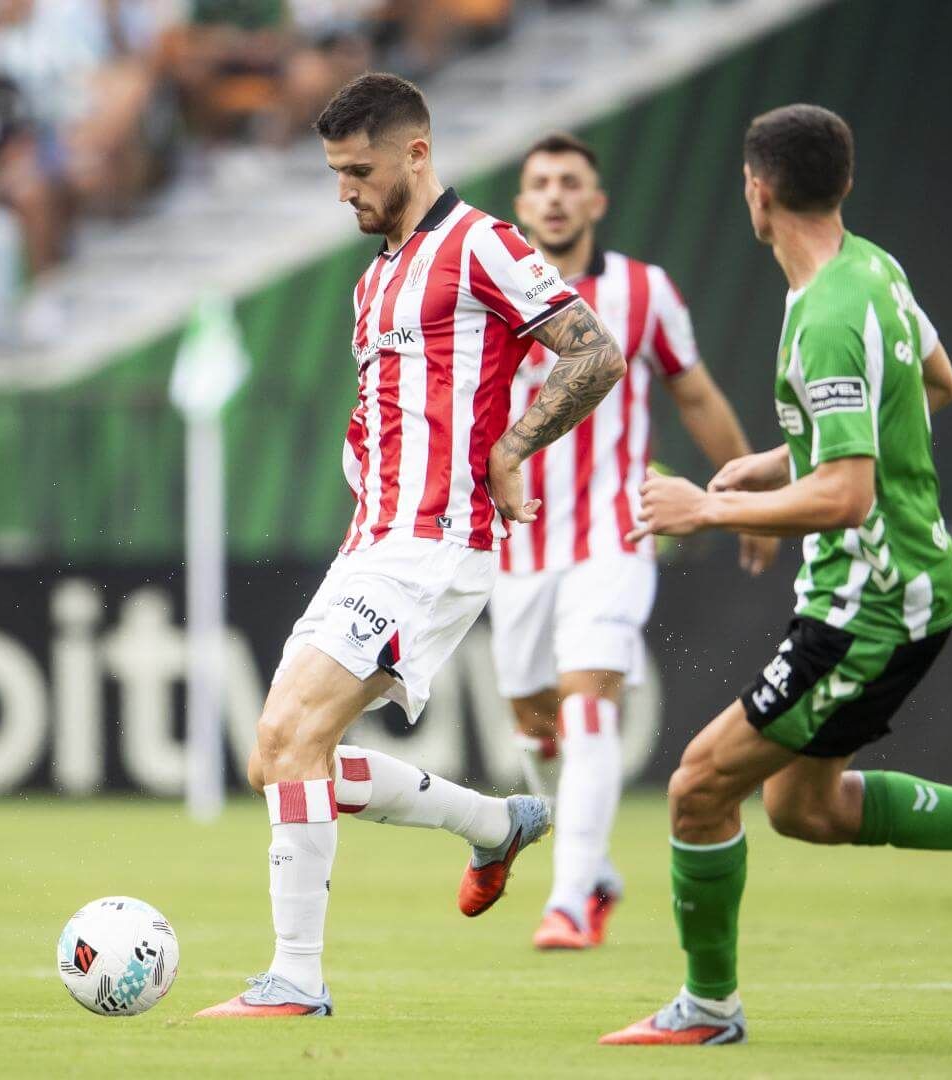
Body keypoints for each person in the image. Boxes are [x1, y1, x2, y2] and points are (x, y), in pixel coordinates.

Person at [599, 104, 952, 1047]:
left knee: (697, 788)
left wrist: (709, 508)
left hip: (871, 604)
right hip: (891, 586)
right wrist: (783, 458)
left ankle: (709, 1008)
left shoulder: (827, 316)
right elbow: (937, 382)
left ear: (756, 191)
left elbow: (848, 498)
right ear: (842, 186)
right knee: (802, 808)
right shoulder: (875, 271)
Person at [195, 72, 630, 1018]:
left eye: (358, 171)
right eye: (335, 173)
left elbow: (595, 352)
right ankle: (494, 823)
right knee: (279, 759)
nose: (343, 190)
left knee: (288, 737)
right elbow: (391, 413)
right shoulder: (374, 282)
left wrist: (514, 447)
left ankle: (296, 980)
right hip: (373, 542)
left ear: (416, 153)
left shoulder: (483, 245)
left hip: (436, 545)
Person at [491, 133, 774, 951]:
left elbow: (694, 395)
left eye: (568, 182)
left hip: (616, 533)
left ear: (596, 202)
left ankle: (572, 895)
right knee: (535, 726)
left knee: (587, 704)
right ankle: (596, 868)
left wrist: (744, 495)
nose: (552, 195)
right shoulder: (494, 291)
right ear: (520, 204)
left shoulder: (645, 292)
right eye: (538, 182)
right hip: (517, 544)